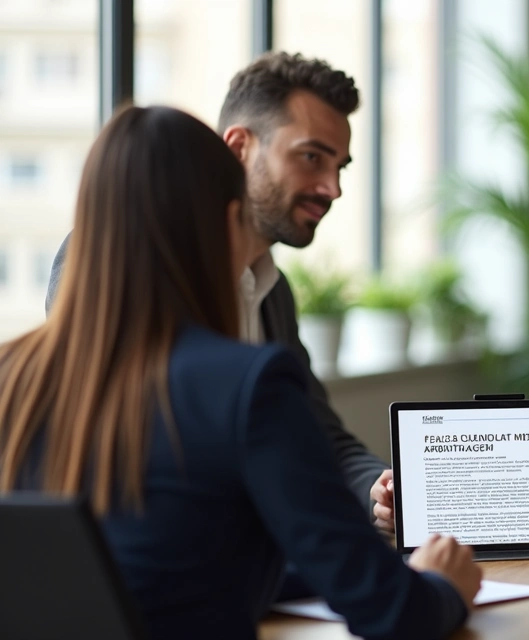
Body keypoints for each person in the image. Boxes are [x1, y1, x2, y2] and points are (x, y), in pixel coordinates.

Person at [1, 105, 480, 640]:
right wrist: (441, 584)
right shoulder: (246, 383)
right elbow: (391, 612)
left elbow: (170, 569)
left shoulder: (12, 373)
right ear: (228, 225)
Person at [44, 52, 398, 534]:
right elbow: (105, 434)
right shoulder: (117, 261)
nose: (332, 188)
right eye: (311, 157)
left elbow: (315, 431)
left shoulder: (273, 291)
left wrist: (378, 489)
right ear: (239, 148)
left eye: (340, 167)